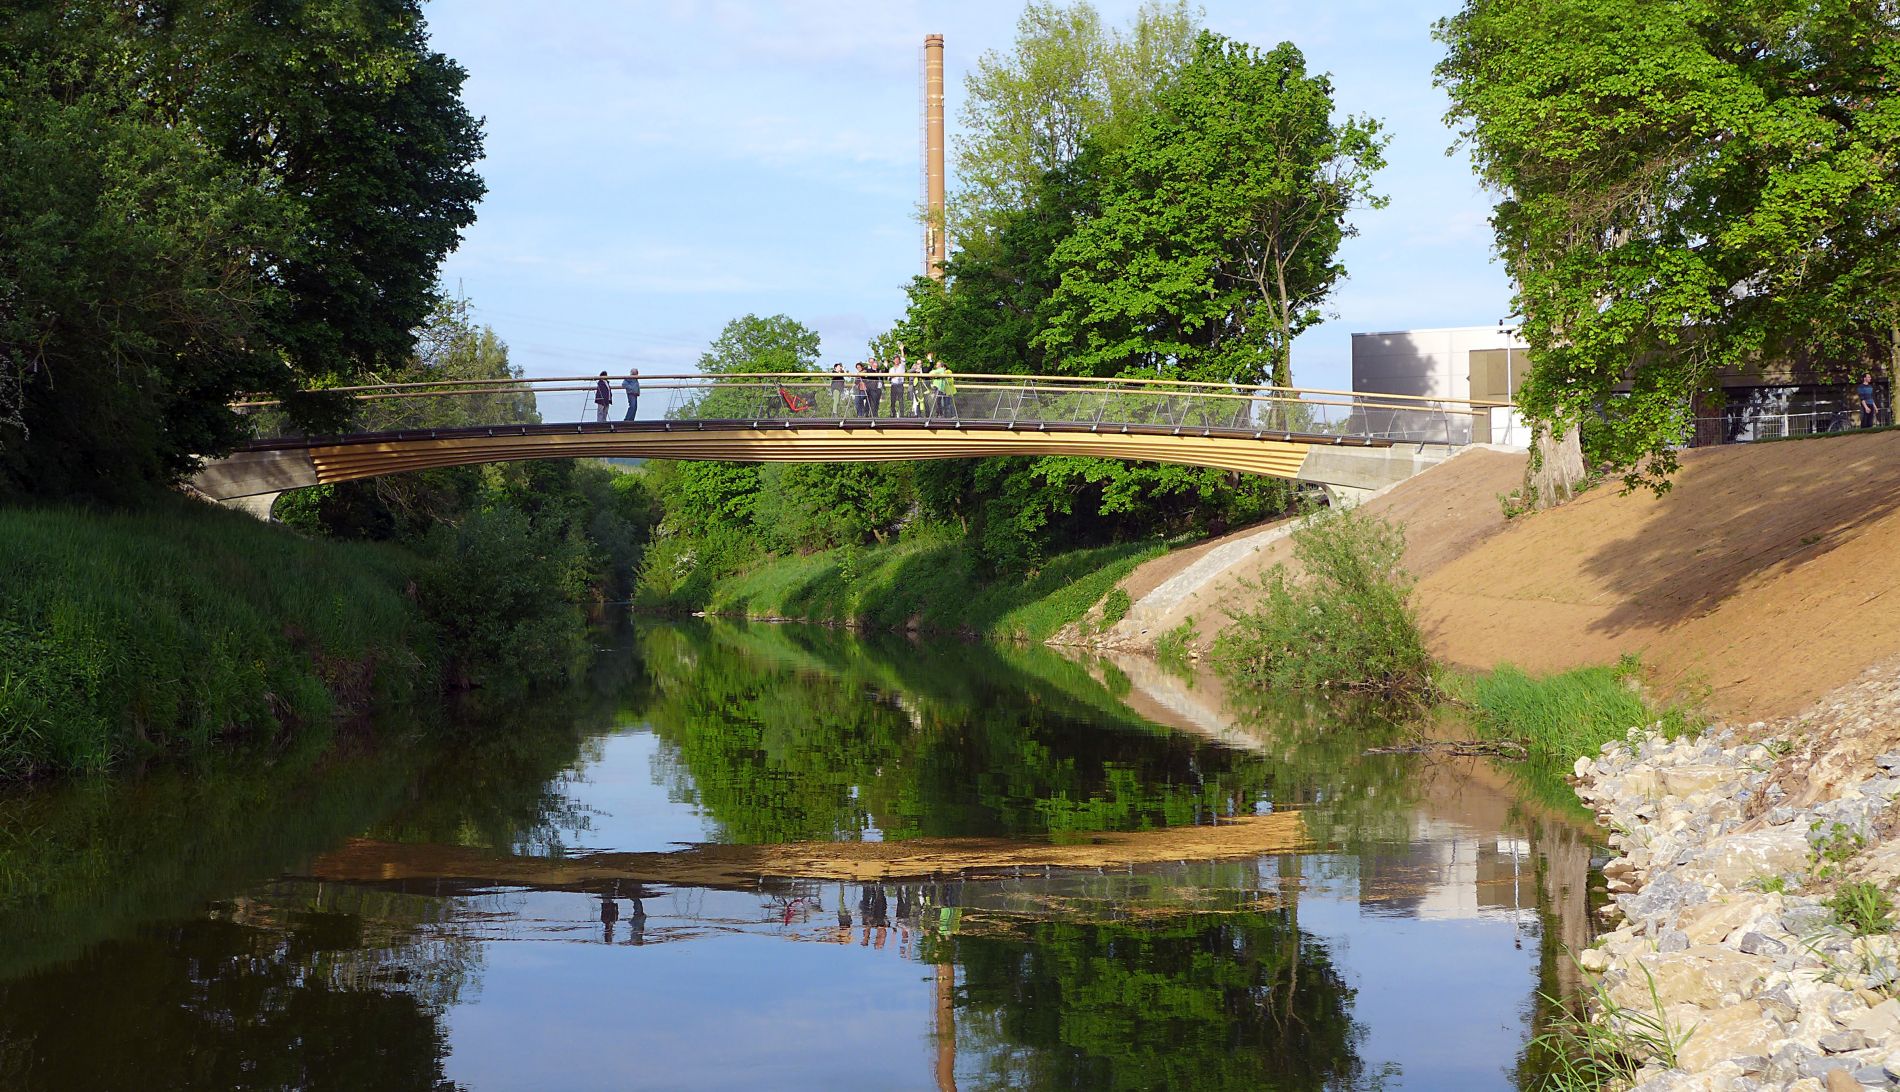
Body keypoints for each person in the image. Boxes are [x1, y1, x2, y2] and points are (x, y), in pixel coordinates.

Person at [888, 350, 908, 418]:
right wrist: (892, 376)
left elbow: (903, 359)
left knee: (900, 400)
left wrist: (902, 350)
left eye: (897, 359)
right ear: (893, 361)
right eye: (895, 359)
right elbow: (889, 378)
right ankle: (893, 414)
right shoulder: (891, 369)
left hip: (900, 385)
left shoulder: (901, 366)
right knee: (892, 400)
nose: (896, 361)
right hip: (893, 385)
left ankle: (902, 414)